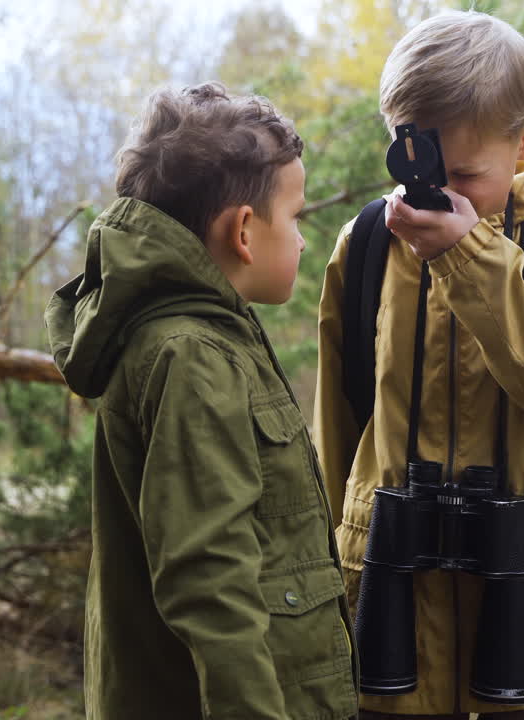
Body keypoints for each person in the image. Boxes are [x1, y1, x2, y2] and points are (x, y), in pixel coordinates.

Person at [313, 11, 524, 720]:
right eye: (422, 169)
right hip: (393, 599)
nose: (441, 193)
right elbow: (340, 421)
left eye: (467, 173)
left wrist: (468, 258)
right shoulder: (369, 243)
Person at [45, 83, 357, 720]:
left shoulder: (204, 335)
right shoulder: (190, 355)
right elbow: (209, 578)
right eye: (294, 217)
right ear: (243, 230)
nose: (300, 241)